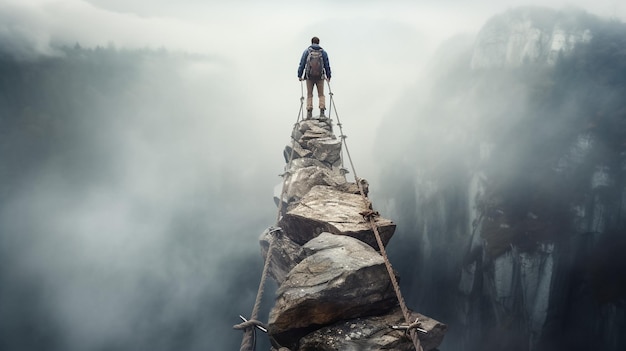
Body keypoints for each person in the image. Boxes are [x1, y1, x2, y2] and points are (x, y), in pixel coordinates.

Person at [297, 36, 331, 119]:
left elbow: (302, 64)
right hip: (320, 76)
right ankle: (322, 111)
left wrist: (300, 75)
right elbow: (327, 64)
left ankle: (309, 112)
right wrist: (328, 75)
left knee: (309, 94)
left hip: (309, 76)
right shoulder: (323, 52)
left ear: (311, 42)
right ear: (318, 42)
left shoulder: (307, 51)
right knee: (321, 94)